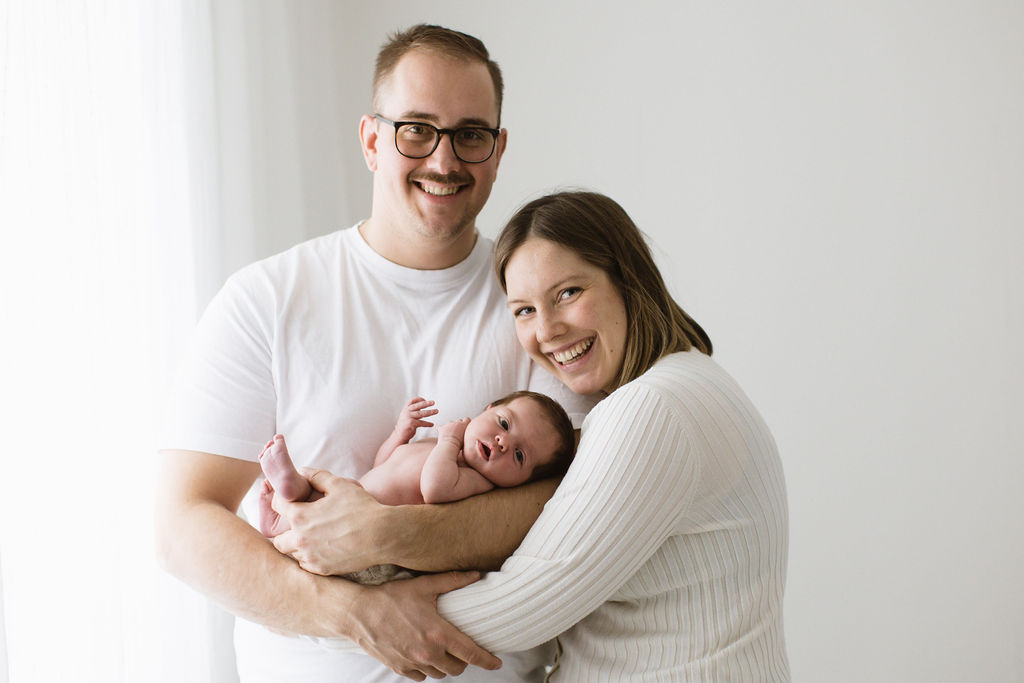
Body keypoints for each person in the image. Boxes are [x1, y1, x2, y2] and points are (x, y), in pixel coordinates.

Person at [156, 24, 596, 683]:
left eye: (470, 135)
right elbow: (182, 523)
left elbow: (577, 502)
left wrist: (390, 536)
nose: (444, 161)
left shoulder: (539, 308)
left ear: (498, 151)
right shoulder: (267, 298)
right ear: (371, 140)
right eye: (416, 129)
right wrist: (352, 610)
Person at [286, 191, 790, 680]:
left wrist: (338, 608)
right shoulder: (690, 382)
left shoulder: (652, 408)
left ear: (628, 280)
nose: (546, 331)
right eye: (524, 309)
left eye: (568, 293)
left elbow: (525, 607)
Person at [257, 391, 575, 536]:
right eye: (504, 424)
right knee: (319, 490)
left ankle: (277, 520)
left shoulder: (477, 482)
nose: (503, 442)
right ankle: (288, 489)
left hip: (362, 517)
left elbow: (434, 489)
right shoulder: (437, 446)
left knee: (319, 511)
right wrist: (400, 434)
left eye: (519, 455)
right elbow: (383, 464)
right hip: (360, 487)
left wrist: (449, 441)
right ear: (487, 409)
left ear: (520, 483)